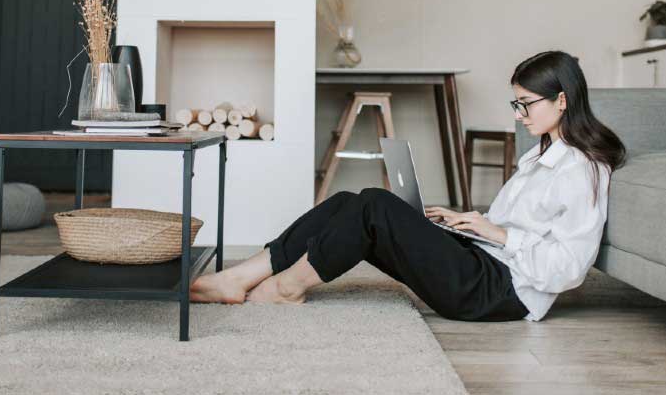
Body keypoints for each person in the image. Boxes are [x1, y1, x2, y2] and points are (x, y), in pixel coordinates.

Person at [190, 51, 627, 322]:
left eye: (525, 104)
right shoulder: (540, 155)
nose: (518, 114)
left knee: (375, 206)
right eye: (516, 103)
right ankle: (243, 275)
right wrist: (470, 223)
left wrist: (495, 233)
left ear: (562, 100)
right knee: (349, 200)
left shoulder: (583, 171)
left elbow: (569, 269)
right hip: (482, 262)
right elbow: (516, 228)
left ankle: (286, 289)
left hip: (500, 293)